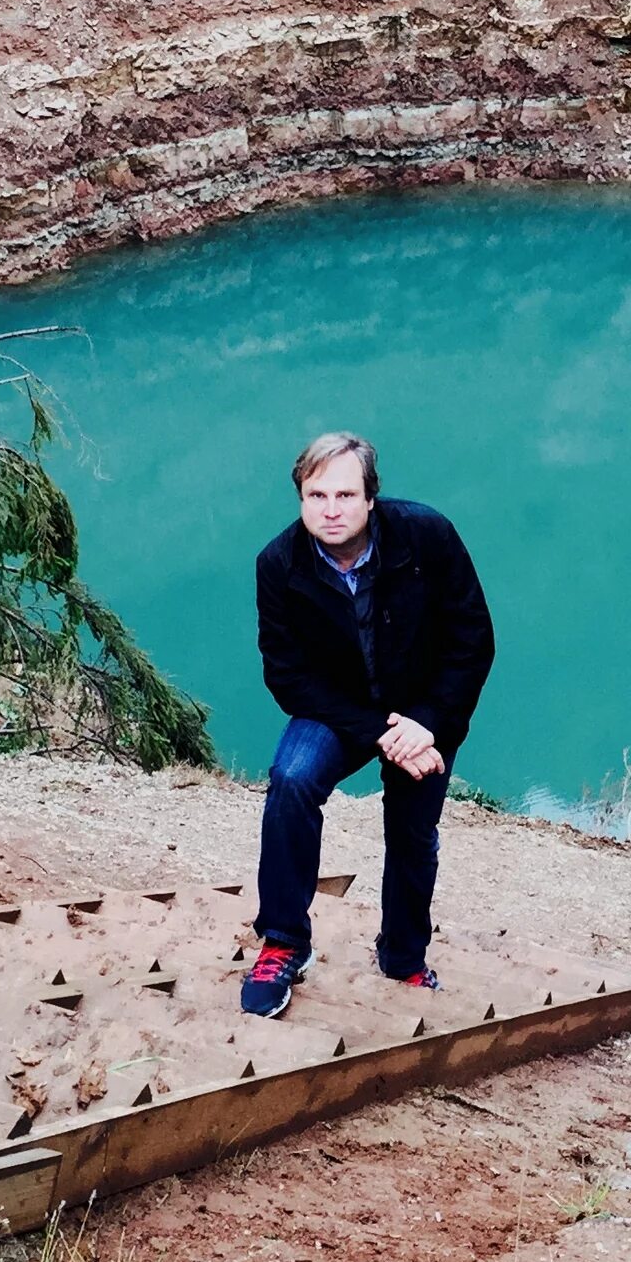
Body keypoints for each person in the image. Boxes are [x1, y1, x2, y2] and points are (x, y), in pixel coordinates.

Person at [242, 431, 495, 1017]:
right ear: (300, 498)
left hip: (424, 709)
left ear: (371, 498)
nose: (330, 510)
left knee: (412, 826)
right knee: (291, 780)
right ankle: (283, 944)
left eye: (345, 495)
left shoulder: (426, 537)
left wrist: (426, 723)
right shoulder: (278, 565)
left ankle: (403, 957)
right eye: (316, 495)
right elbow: (287, 676)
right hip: (341, 709)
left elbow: (472, 640)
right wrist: (382, 731)